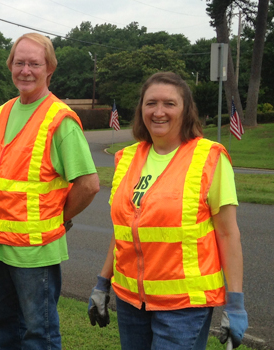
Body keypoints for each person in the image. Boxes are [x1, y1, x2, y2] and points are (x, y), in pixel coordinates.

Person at [87, 72, 248, 350]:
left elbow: (227, 233)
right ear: (141, 109)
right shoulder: (126, 159)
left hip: (183, 307)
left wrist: (235, 304)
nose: (158, 112)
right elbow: (124, 231)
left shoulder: (209, 158)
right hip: (131, 302)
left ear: (185, 111)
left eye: (169, 104)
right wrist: (103, 282)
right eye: (151, 103)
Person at [0, 33, 100, 350]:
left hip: (36, 252)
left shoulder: (59, 120)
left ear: (49, 69)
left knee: (39, 335)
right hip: (0, 247)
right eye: (19, 62)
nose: (26, 70)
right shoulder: (3, 112)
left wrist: (58, 217)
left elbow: (89, 184)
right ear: (10, 66)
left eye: (35, 63)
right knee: (6, 327)